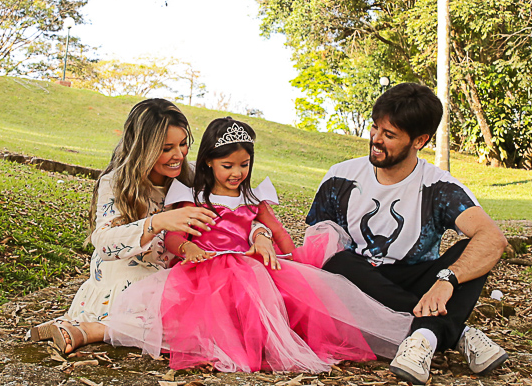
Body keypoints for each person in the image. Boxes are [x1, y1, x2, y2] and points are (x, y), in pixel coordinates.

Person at [104, 117, 412, 372]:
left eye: (244, 164)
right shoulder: (194, 197)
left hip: (248, 265)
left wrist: (291, 259)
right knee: (211, 312)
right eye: (228, 166)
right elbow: (174, 236)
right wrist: (187, 249)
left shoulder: (252, 199)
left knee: (279, 303)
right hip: (204, 269)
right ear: (208, 162)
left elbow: (277, 231)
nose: (237, 173)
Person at [307, 82, 511, 385]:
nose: (375, 140)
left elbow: (494, 239)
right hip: (359, 284)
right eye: (375, 128)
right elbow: (316, 244)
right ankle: (453, 334)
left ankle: (425, 337)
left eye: (389, 135)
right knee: (337, 261)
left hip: (418, 281)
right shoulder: (341, 176)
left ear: (420, 140)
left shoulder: (439, 187)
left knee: (472, 249)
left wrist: (447, 280)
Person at [27, 98, 217, 353]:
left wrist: (260, 233)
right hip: (127, 278)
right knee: (186, 329)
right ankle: (90, 329)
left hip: (170, 273)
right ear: (143, 148)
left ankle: (75, 327)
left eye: (183, 144)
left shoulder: (191, 177)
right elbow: (104, 243)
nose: (178, 155)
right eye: (166, 148)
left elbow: (237, 203)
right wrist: (157, 222)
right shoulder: (116, 182)